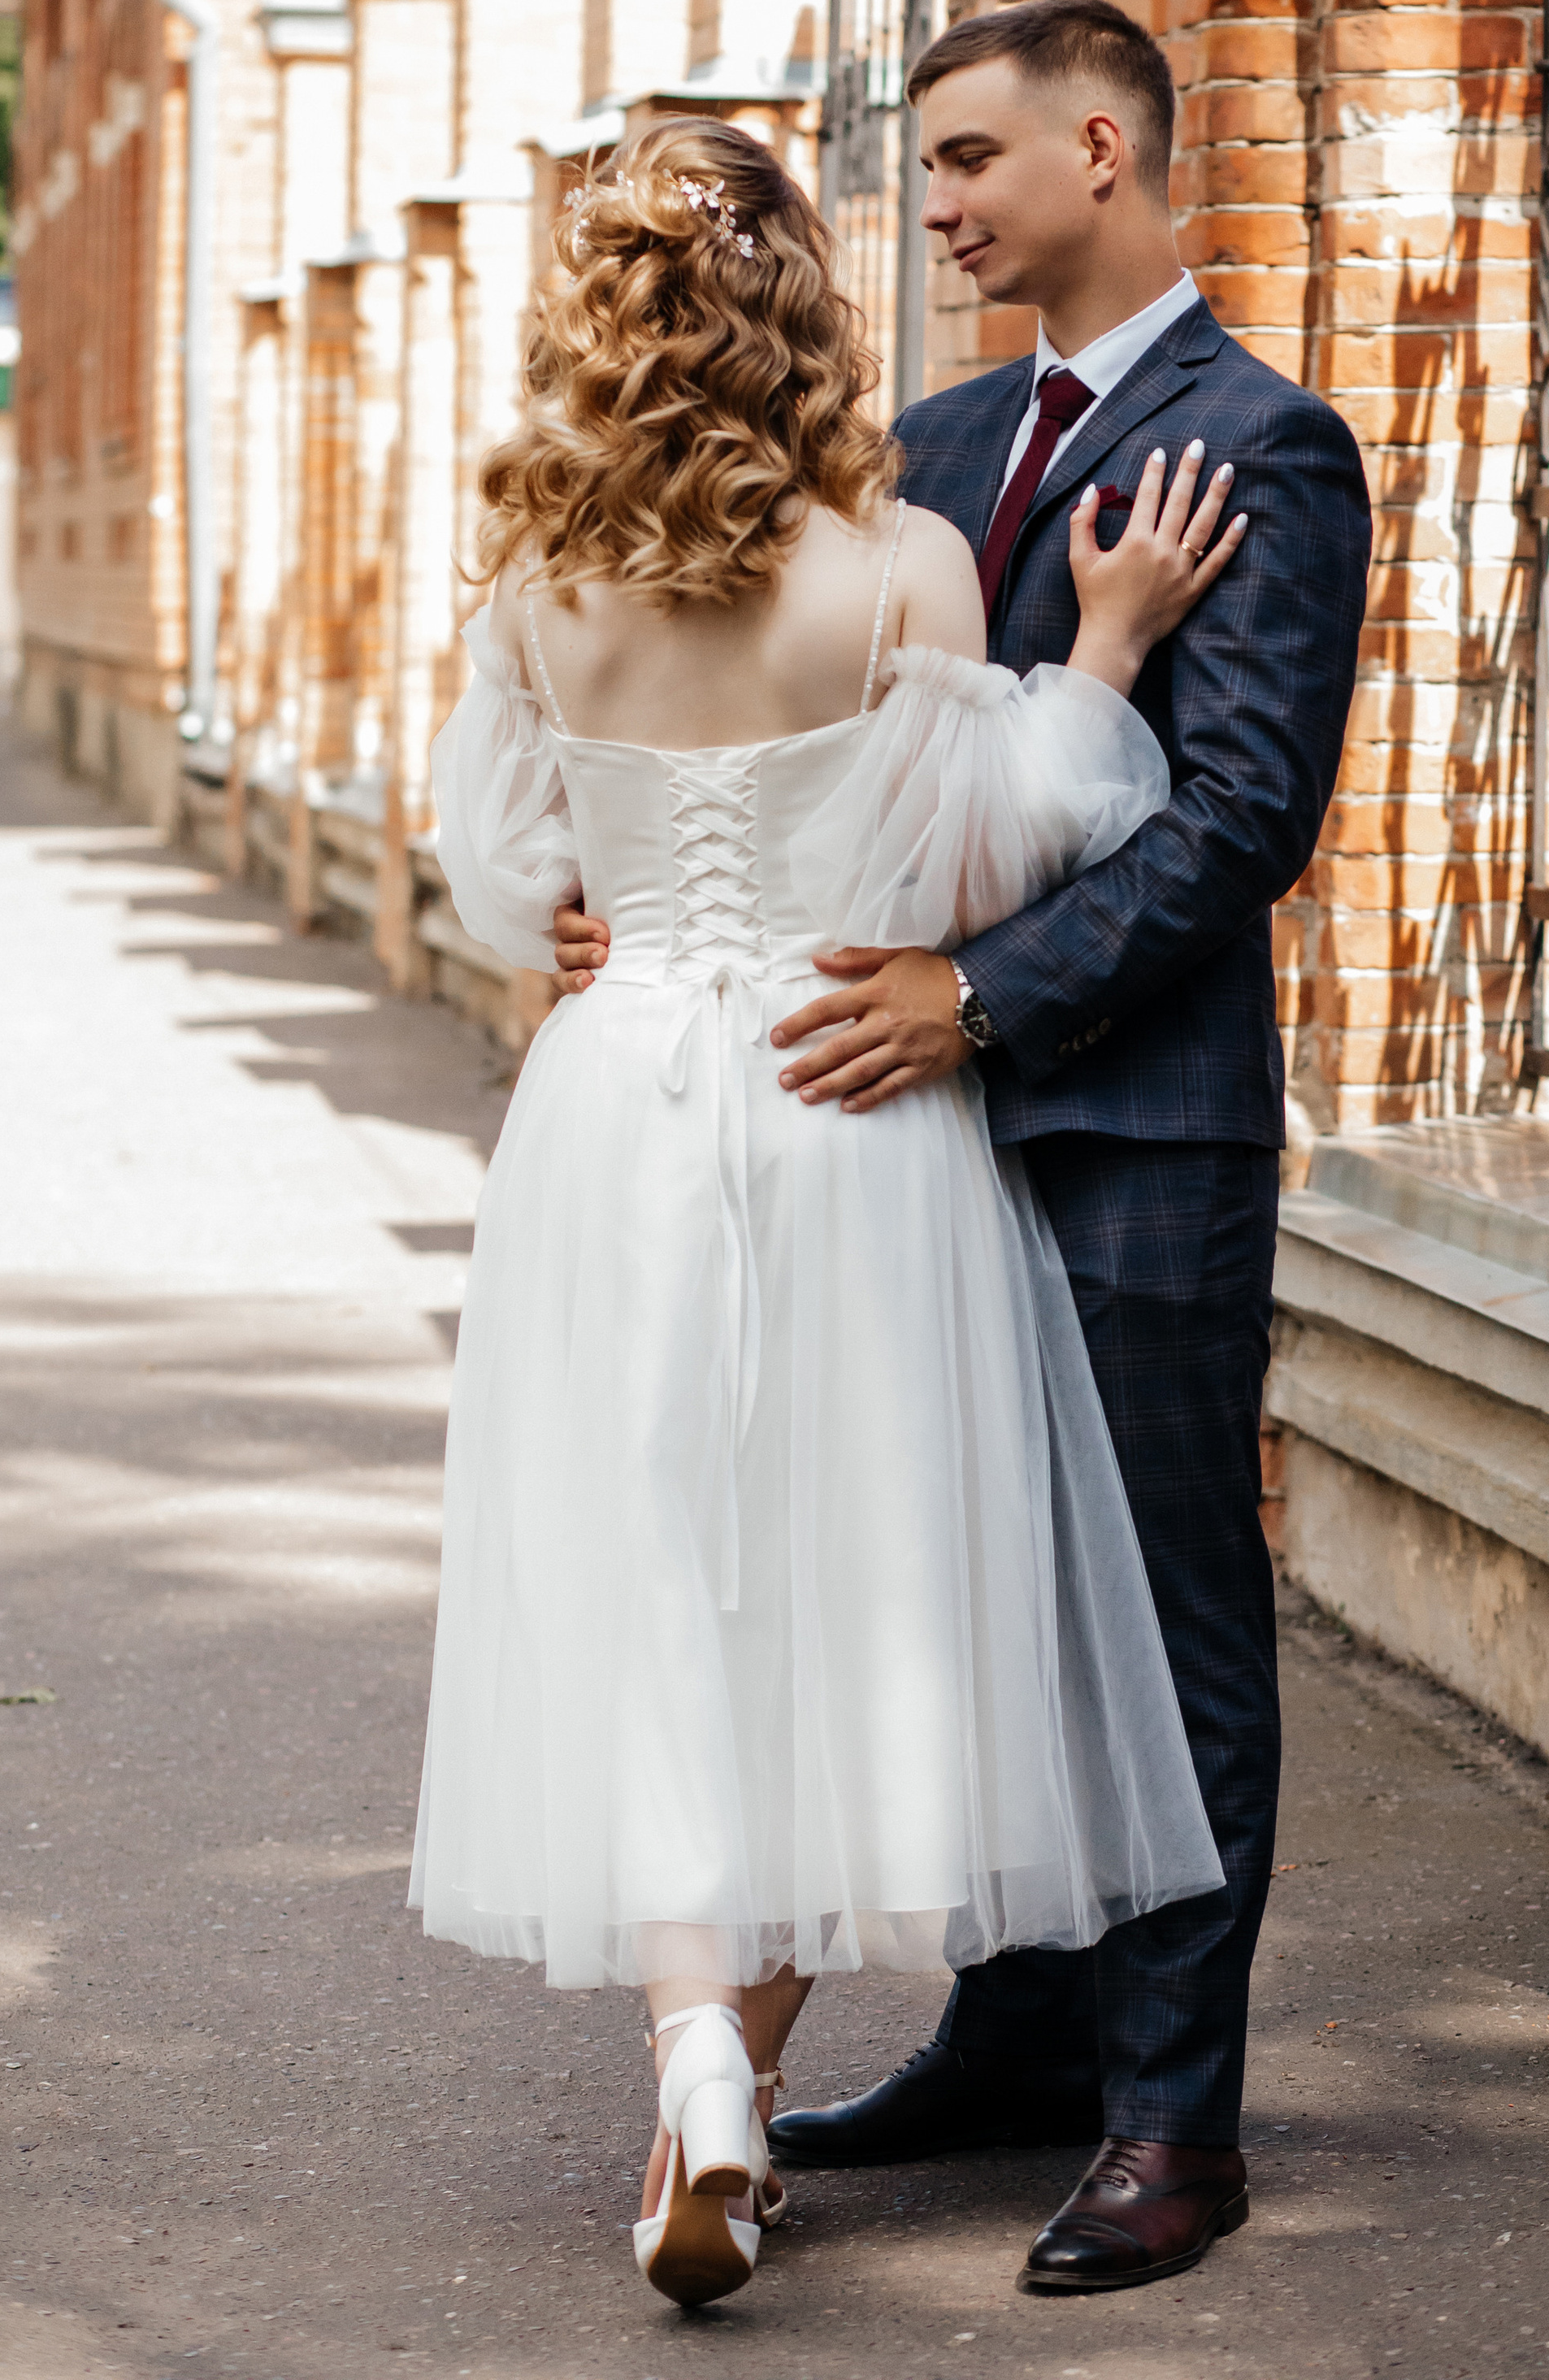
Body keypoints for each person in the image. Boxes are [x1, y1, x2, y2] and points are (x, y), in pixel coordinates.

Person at [558, 0, 1370, 2295]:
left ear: (1101, 150)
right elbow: (866, 772)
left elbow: (1238, 827)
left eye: (970, 161)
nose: (934, 206)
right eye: (915, 170)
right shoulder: (924, 439)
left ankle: (1168, 2124)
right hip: (891, 1146)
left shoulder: (1264, 445)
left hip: (1123, 1125)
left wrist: (970, 996)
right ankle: (1011, 2041)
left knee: (1167, 1615)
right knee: (981, 1605)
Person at [410, 114, 1249, 2316]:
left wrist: (592, 923)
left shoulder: (529, 582)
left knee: (662, 1595)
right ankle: (733, 2105)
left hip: (615, 1116)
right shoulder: (902, 569)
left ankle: (704, 2080)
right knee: (814, 1598)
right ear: (798, 301)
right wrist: (1111, 648)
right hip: (840, 1086)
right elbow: (1012, 859)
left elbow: (508, 876)